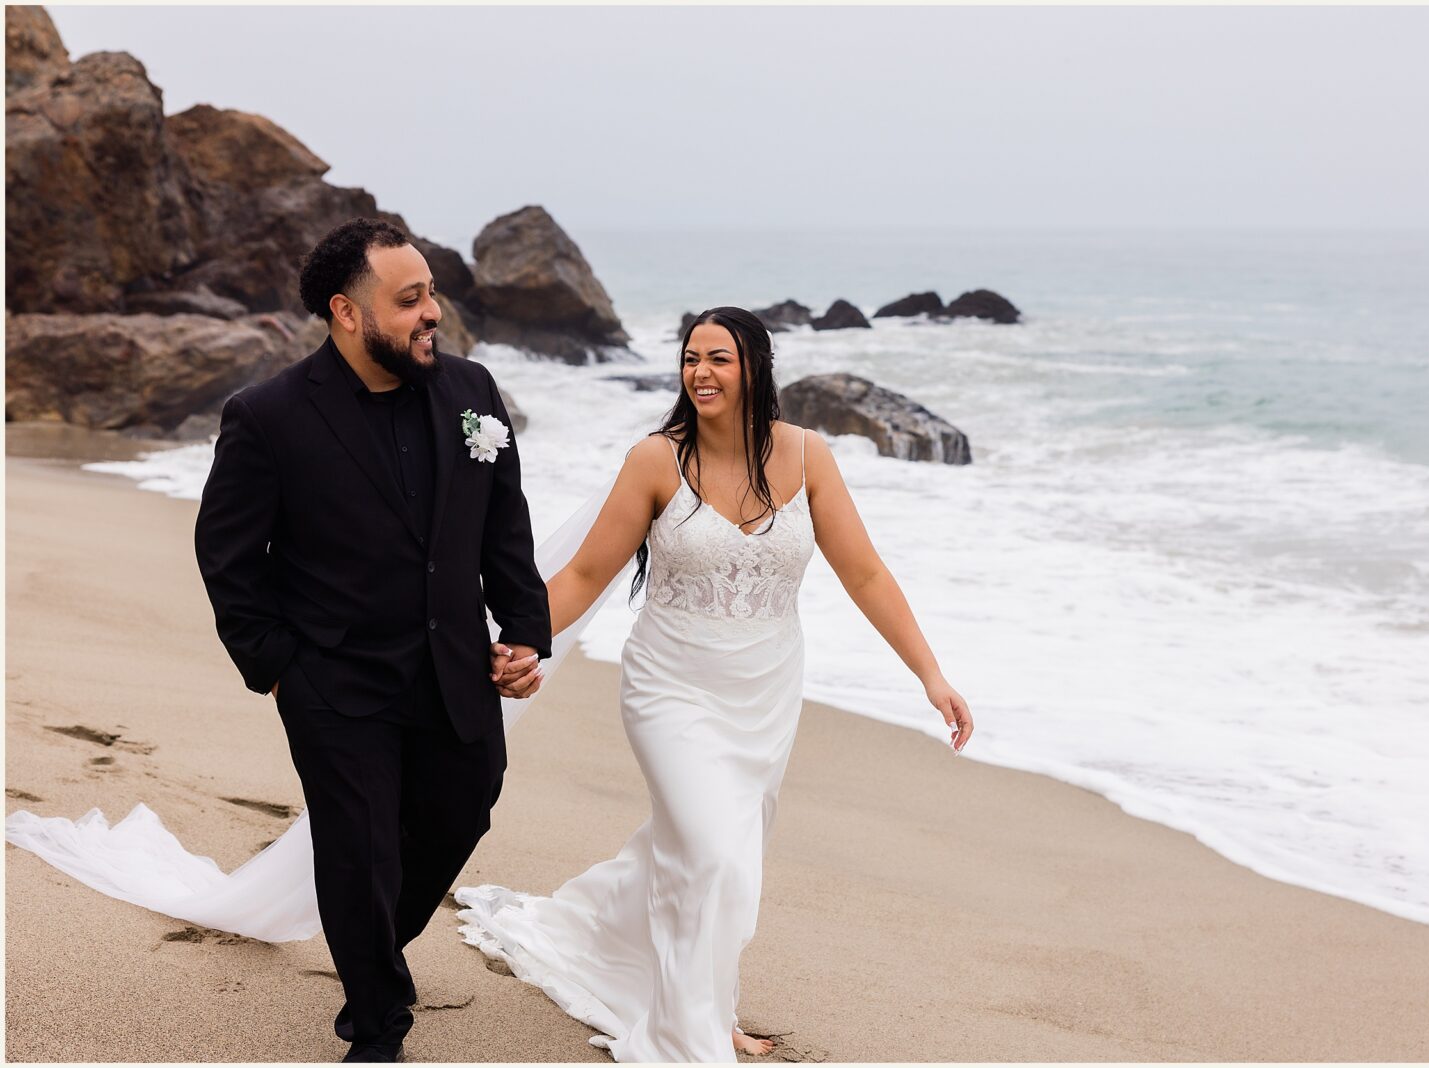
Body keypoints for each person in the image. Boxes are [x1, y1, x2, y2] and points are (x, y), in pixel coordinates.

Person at [457, 306, 974, 1062]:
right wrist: (525, 641)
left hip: (766, 693)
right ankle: (687, 1034)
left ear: (755, 368)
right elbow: (589, 573)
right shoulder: (654, 461)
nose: (700, 371)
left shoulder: (808, 458)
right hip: (670, 687)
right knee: (712, 855)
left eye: (719, 359)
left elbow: (864, 572)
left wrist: (931, 675)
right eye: (691, 358)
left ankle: (692, 991)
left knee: (721, 854)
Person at [193, 217, 552, 1062]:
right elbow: (228, 555)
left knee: (467, 804)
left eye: (431, 292)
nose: (433, 311)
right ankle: (378, 1022)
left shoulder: (473, 393)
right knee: (357, 845)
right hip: (335, 681)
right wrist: (278, 668)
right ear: (346, 313)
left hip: (454, 667)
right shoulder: (268, 416)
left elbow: (505, 528)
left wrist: (525, 630)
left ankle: (372, 947)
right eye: (410, 299)